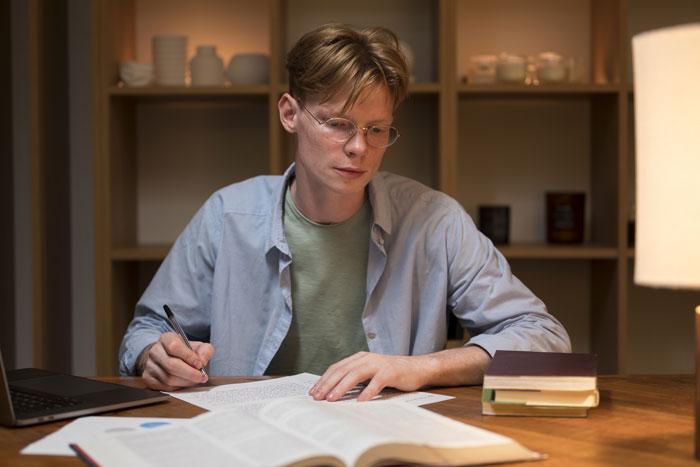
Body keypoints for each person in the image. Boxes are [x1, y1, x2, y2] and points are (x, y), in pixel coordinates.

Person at [119, 23, 571, 401]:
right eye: (338, 124)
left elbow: (545, 338)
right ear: (290, 113)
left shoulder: (435, 220)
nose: (359, 148)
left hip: (386, 439)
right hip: (254, 437)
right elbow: (146, 330)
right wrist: (153, 356)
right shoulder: (227, 215)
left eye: (377, 129)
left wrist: (421, 368)